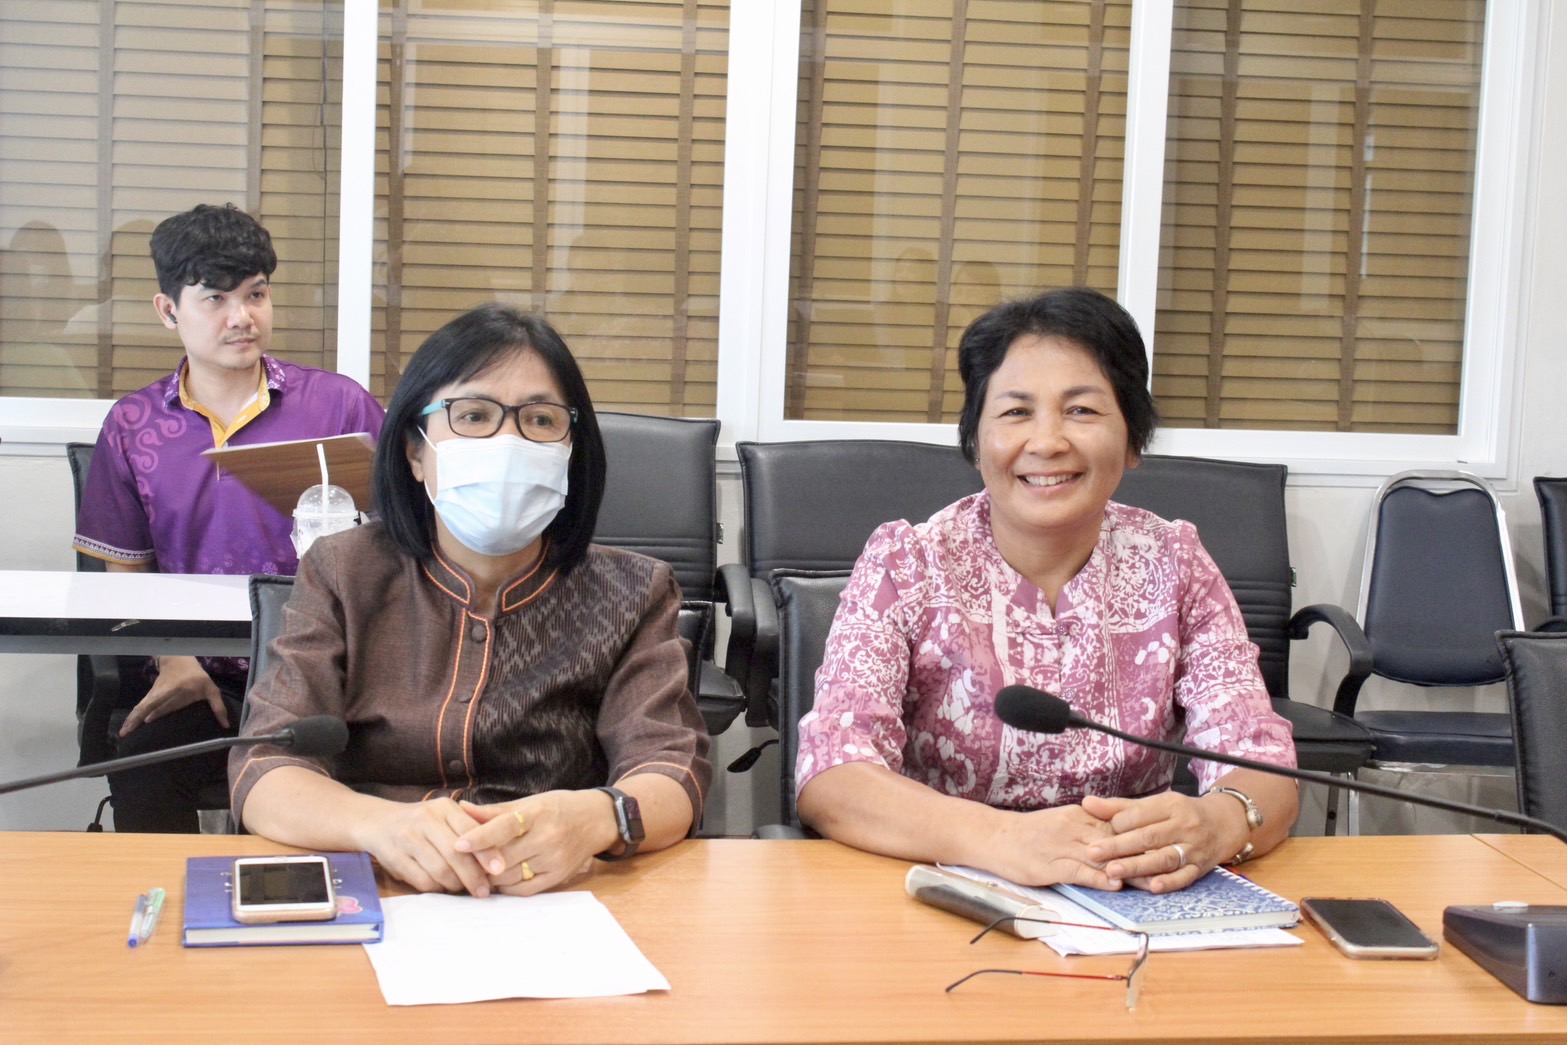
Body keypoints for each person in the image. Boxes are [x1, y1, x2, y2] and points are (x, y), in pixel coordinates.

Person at [794, 287, 1299, 894]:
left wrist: (1218, 821)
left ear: (1133, 440)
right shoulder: (908, 562)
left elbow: (1263, 766)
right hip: (947, 890)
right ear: (975, 441)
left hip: (1132, 902)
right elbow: (832, 776)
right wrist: (1001, 841)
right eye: (1015, 412)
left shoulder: (1176, 563)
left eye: (1082, 411)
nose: (1048, 441)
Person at [230, 304, 711, 897]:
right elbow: (264, 770)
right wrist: (382, 826)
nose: (507, 442)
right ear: (414, 449)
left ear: (569, 449)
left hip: (555, 896)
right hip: (380, 886)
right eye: (475, 415)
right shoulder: (342, 569)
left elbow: (672, 773)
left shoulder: (635, 590)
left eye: (539, 419)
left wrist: (593, 818)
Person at [72, 203, 386, 832]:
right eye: (214, 298)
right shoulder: (134, 427)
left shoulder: (339, 405)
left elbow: (401, 540)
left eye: (256, 294)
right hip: (203, 675)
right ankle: (165, 909)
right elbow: (122, 572)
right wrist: (174, 661)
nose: (242, 317)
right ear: (169, 311)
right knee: (142, 757)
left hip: (329, 672)